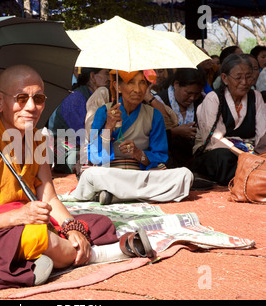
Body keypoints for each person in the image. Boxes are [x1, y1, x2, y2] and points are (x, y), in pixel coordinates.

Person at [0, 65, 137, 289]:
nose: (31, 107)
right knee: (37, 236)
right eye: (21, 99)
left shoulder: (36, 140)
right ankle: (101, 254)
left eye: (39, 98)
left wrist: (72, 227)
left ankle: (39, 258)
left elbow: (49, 198)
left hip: (19, 219)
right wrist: (18, 216)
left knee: (98, 223)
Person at [70, 69, 193, 205]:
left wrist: (138, 153)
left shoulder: (154, 115)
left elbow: (160, 156)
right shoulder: (103, 112)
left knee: (185, 175)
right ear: (118, 86)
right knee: (91, 175)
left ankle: (116, 196)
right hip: (111, 174)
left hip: (140, 175)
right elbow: (96, 157)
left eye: (142, 83)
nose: (137, 89)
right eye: (131, 83)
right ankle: (139, 195)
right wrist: (109, 126)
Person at [192, 54, 266, 186]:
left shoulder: (256, 97)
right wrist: (243, 155)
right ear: (225, 78)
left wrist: (256, 156)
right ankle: (247, 181)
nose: (244, 82)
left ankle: (251, 177)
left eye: (248, 76)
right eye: (238, 78)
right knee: (223, 158)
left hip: (251, 152)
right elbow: (214, 140)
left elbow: (262, 134)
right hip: (219, 153)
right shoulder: (213, 98)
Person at [48, 68, 110, 174]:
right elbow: (82, 135)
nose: (109, 78)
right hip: (65, 150)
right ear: (92, 76)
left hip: (85, 147)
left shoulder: (96, 97)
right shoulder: (75, 98)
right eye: (106, 74)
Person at [154, 68, 206, 168]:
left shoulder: (202, 101)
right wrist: (174, 132)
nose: (192, 98)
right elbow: (152, 136)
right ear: (176, 84)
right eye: (188, 93)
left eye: (196, 94)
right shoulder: (159, 101)